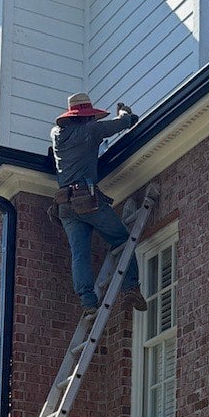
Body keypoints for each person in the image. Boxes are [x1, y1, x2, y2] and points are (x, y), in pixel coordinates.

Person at [50, 93, 149, 310]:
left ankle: (87, 301)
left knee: (80, 253)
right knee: (121, 239)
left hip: (64, 205)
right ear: (85, 116)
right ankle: (131, 287)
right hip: (86, 199)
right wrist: (125, 114)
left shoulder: (57, 134)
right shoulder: (90, 131)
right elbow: (122, 124)